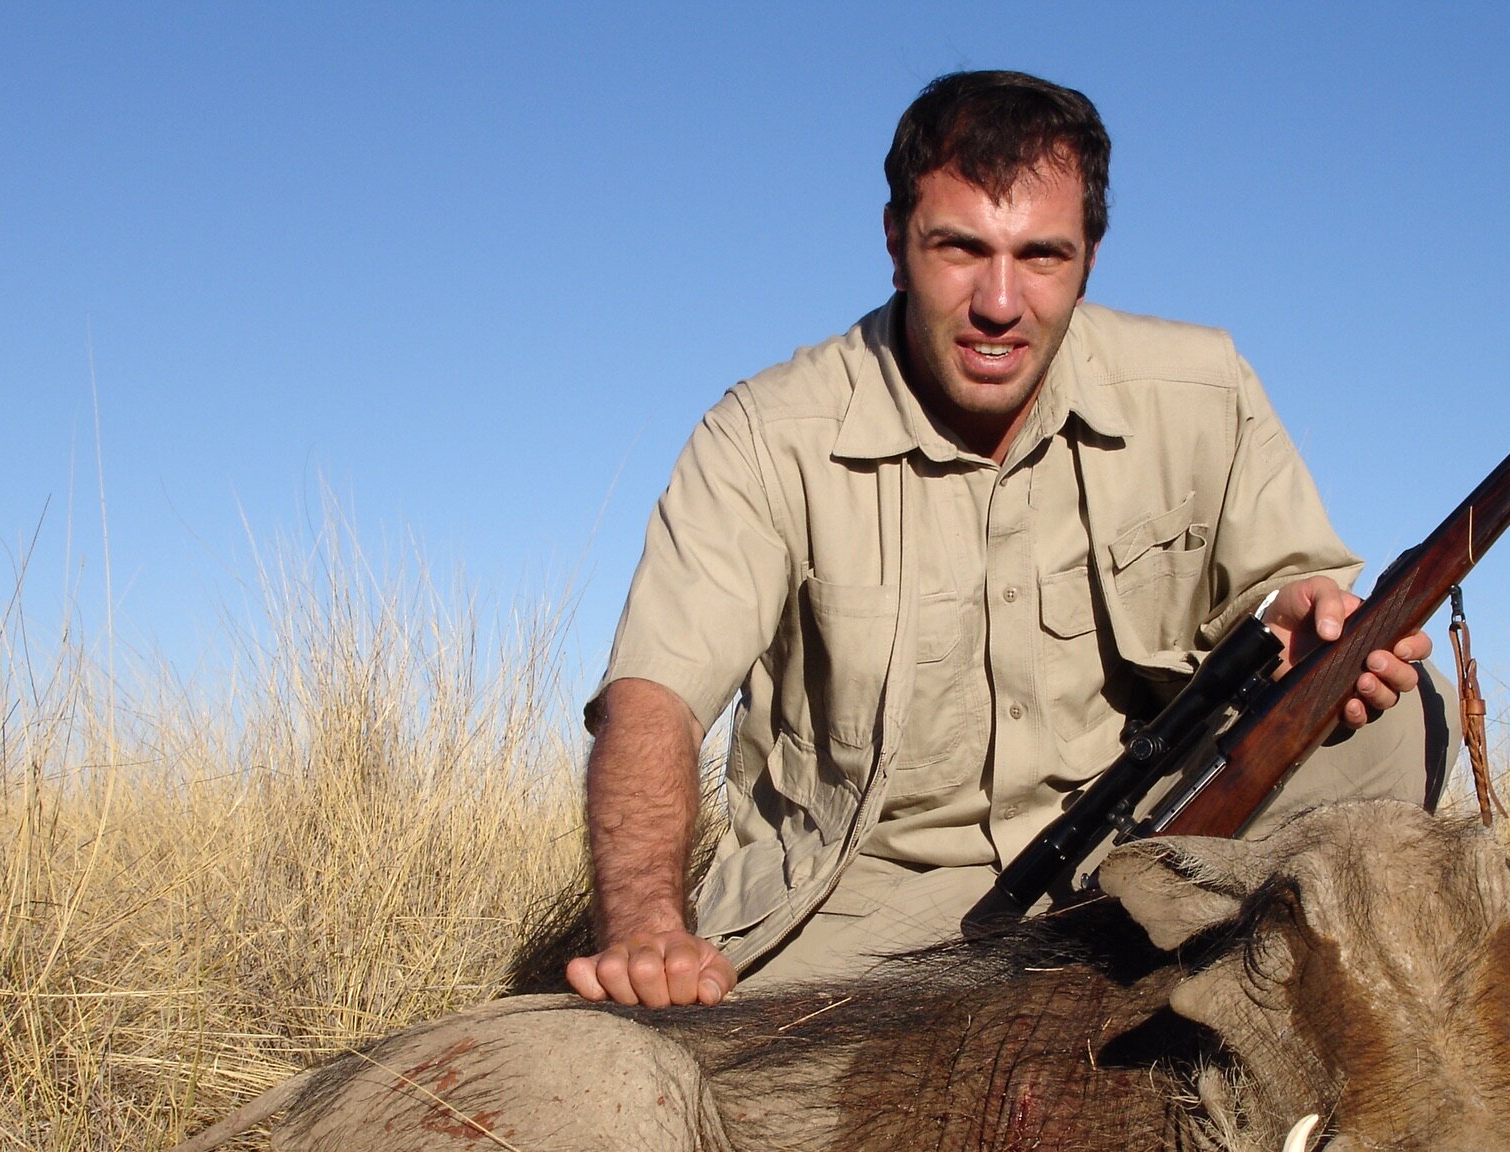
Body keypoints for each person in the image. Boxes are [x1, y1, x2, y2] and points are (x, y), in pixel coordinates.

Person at [567, 70, 1448, 1008]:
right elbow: (653, 699)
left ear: (1091, 258)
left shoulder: (1205, 385)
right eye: (959, 248)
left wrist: (1307, 617)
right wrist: (645, 929)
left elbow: (1285, 587)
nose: (999, 301)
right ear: (896, 243)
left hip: (1145, 843)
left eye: (1041, 256)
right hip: (868, 903)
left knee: (1391, 705)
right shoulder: (761, 434)